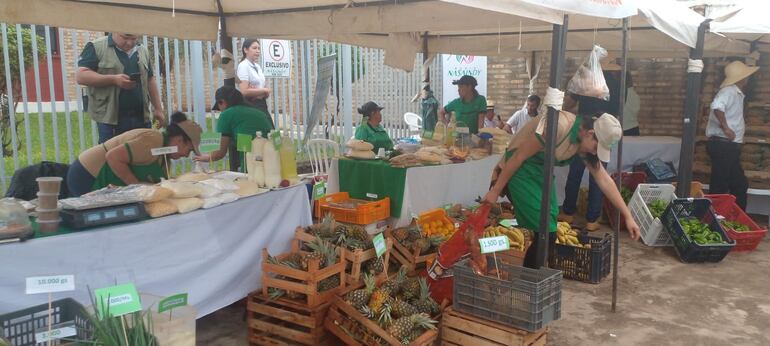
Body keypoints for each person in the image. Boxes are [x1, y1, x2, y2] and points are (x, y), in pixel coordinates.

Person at [483, 110, 640, 268]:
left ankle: (538, 276)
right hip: (520, 170)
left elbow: (604, 180)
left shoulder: (583, 143)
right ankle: (531, 280)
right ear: (590, 133)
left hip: (541, 172)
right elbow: (518, 156)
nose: (595, 152)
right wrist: (495, 190)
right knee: (545, 232)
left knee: (550, 223)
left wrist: (628, 216)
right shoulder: (558, 125)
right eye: (596, 147)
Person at [67, 112, 202, 197]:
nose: (186, 155)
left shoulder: (165, 157)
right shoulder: (153, 140)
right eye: (189, 150)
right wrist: (136, 188)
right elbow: (113, 157)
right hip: (87, 175)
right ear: (179, 140)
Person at [559, 66, 621, 231]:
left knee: (575, 175)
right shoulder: (616, 83)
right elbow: (618, 109)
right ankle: (592, 220)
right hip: (604, 133)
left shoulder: (586, 79)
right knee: (598, 177)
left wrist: (563, 109)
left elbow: (570, 101)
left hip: (584, 131)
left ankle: (568, 212)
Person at [77, 33, 166, 144]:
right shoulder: (96, 47)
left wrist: (158, 109)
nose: (130, 42)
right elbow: (81, 76)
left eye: (134, 38)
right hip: (110, 120)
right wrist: (113, 79)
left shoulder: (142, 50)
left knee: (142, 156)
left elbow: (150, 79)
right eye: (125, 37)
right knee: (112, 156)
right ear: (114, 30)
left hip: (141, 118)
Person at [705, 61, 757, 210]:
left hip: (729, 146)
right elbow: (716, 107)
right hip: (723, 144)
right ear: (742, 78)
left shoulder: (737, 93)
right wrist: (726, 128)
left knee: (739, 183)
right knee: (720, 183)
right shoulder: (729, 91)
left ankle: (735, 215)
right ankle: (714, 215)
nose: (747, 79)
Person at [193, 86, 274, 171]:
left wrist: (206, 157)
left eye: (219, 107)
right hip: (273, 162)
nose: (220, 111)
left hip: (252, 167)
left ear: (222, 102)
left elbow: (219, 153)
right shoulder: (258, 112)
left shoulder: (226, 114)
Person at [236, 39, 272, 121]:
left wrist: (263, 92)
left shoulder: (257, 67)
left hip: (262, 104)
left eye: (259, 48)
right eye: (254, 48)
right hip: (252, 105)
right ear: (245, 50)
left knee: (271, 132)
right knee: (263, 131)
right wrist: (264, 90)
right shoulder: (243, 66)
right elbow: (244, 91)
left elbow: (263, 89)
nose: (258, 51)